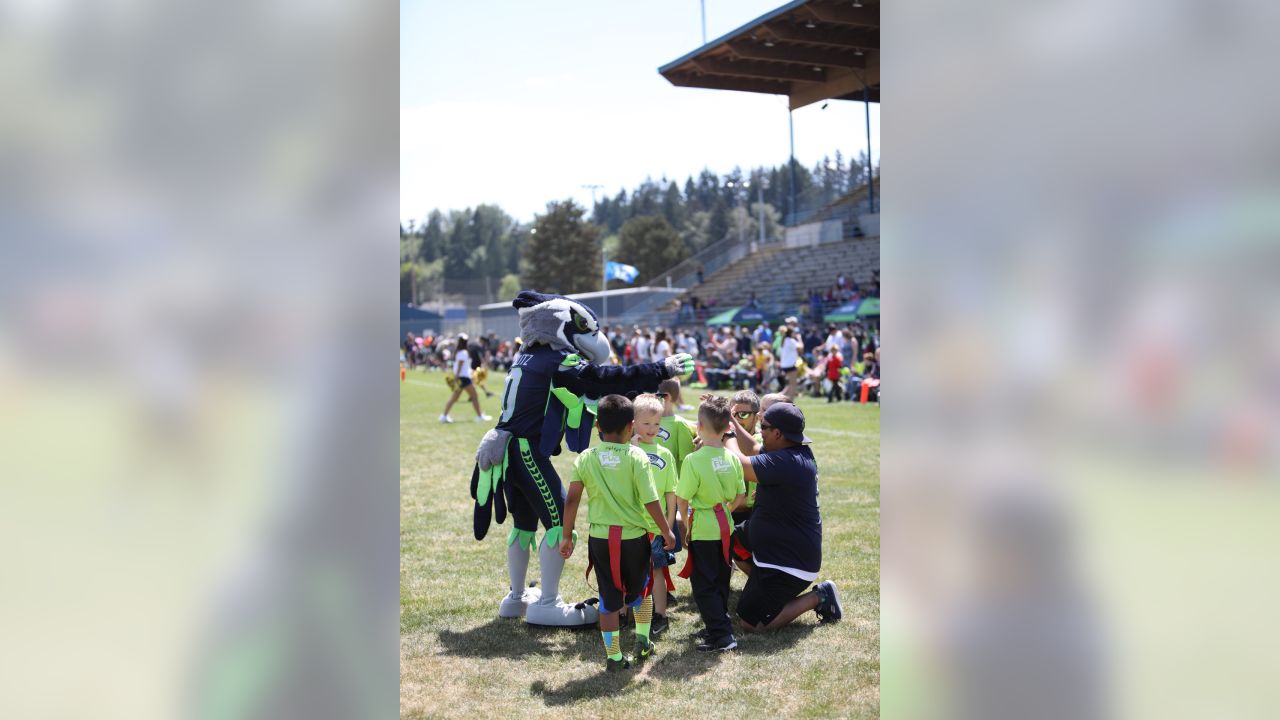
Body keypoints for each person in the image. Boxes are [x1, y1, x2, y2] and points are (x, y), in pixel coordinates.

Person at [559, 395, 676, 671]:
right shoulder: (637, 457)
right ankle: (643, 642)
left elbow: (572, 499)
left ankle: (613, 657)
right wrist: (666, 530)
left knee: (608, 600)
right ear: (631, 427)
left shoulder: (586, 457)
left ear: (597, 425)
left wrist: (566, 535)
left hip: (600, 540)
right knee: (642, 592)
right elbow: (650, 500)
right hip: (634, 539)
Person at [724, 402, 843, 633]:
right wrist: (733, 424)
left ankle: (820, 597)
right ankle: (761, 588)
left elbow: (740, 463)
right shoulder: (788, 449)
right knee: (728, 536)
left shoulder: (789, 462)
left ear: (778, 433)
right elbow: (753, 449)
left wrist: (725, 434)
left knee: (752, 623)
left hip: (788, 563)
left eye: (764, 427)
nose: (760, 431)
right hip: (777, 546)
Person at [674, 397, 745, 651]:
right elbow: (741, 495)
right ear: (728, 427)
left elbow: (682, 499)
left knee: (703, 584)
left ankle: (723, 636)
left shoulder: (694, 460)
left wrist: (688, 520)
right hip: (725, 526)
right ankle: (716, 626)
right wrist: (725, 510)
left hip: (703, 527)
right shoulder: (732, 458)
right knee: (720, 578)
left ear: (700, 427)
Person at [631, 393, 680, 636]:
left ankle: (660, 614)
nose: (652, 429)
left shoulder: (666, 454)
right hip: (631, 524)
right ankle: (625, 612)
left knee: (657, 569)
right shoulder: (628, 451)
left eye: (657, 424)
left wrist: (669, 523)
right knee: (628, 570)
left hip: (656, 526)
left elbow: (671, 491)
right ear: (633, 423)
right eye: (646, 423)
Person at [440, 335, 491, 423]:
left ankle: (444, 416)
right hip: (463, 378)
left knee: (454, 398)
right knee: (474, 396)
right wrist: (456, 377)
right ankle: (480, 416)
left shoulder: (459, 352)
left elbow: (462, 366)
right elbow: (460, 365)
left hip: (462, 377)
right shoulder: (463, 352)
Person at [655, 377, 698, 472]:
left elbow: (686, 459)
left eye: (656, 393)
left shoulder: (680, 424)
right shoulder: (646, 420)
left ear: (666, 396)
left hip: (671, 482)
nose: (653, 396)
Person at [778, 326, 802, 399]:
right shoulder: (791, 340)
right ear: (791, 333)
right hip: (790, 365)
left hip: (784, 365)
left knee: (789, 384)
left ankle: (777, 397)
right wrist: (799, 338)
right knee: (793, 384)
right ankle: (790, 401)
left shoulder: (784, 340)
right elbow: (801, 348)